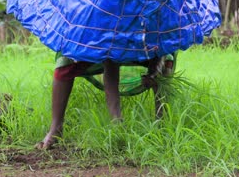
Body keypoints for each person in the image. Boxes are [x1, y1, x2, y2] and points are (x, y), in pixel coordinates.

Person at [35, 55, 174, 150]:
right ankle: (56, 129)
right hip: (101, 26)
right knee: (69, 58)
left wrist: (154, 69)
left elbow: (164, 32)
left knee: (166, 56)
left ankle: (162, 128)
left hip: (143, 31)